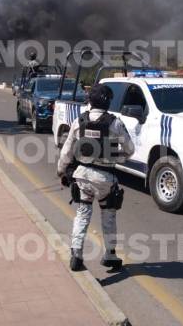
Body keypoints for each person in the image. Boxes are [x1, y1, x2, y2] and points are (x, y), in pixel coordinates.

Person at [57, 84, 134, 272]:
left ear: (90, 100)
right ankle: (110, 255)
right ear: (108, 101)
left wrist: (62, 171)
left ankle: (76, 254)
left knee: (82, 214)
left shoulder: (79, 120)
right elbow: (130, 150)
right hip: (105, 177)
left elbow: (66, 150)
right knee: (108, 216)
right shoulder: (115, 122)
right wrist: (118, 158)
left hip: (82, 175)